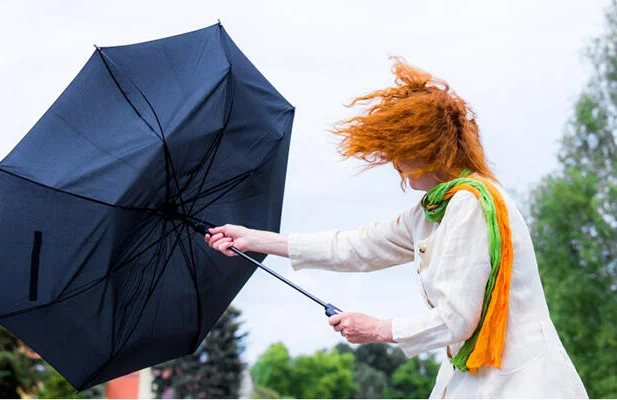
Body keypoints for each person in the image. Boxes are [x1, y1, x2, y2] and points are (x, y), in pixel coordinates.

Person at [204, 59, 588, 398]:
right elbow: (354, 246)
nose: (393, 162)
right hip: (477, 377)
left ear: (427, 146)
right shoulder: (434, 210)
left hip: (521, 382)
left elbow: (457, 319)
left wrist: (378, 329)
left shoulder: (470, 204)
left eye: (397, 149)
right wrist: (255, 240)